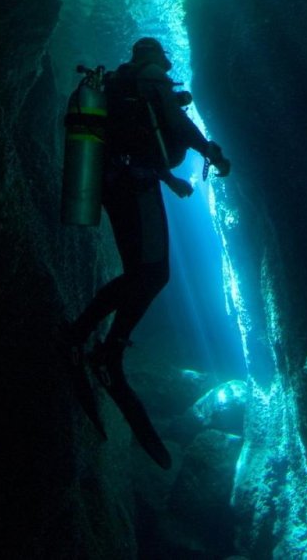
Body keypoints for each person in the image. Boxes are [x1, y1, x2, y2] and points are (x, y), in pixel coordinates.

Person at [69, 37, 230, 387]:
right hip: (135, 187)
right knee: (153, 274)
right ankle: (102, 347)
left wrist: (169, 179)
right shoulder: (152, 75)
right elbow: (177, 125)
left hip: (112, 185)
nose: (166, 59)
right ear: (153, 54)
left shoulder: (122, 85)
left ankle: (84, 338)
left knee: (139, 272)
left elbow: (137, 140)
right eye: (162, 53)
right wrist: (211, 152)